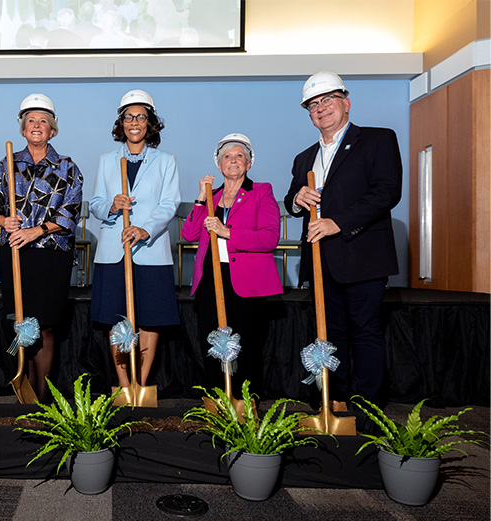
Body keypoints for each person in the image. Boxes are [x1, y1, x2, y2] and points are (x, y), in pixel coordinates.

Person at [284, 71, 402, 409]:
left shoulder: (378, 140)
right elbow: (293, 200)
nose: (321, 108)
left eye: (328, 100)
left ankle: (367, 408)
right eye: (313, 105)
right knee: (328, 334)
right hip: (320, 261)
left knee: (364, 332)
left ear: (346, 103)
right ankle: (335, 401)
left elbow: (386, 192)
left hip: (362, 255)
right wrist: (297, 199)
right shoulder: (303, 158)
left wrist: (339, 223)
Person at [0, 93, 83, 402]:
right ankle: (27, 393)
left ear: (52, 130)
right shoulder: (6, 165)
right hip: (16, 255)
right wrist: (4, 222)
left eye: (43, 122)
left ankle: (43, 395)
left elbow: (70, 212)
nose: (37, 126)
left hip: (51, 256)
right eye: (31, 121)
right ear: (23, 129)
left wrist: (34, 231)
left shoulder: (67, 167)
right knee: (23, 325)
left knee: (47, 328)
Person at [90, 89, 181, 389]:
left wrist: (146, 229)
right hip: (114, 251)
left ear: (150, 123)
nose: (134, 122)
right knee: (118, 318)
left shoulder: (166, 161)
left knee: (150, 319)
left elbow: (169, 204)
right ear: (121, 123)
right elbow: (96, 204)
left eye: (141, 117)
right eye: (128, 117)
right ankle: (123, 384)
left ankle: (141, 384)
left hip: (150, 251)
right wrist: (112, 206)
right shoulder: (106, 160)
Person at [181, 134, 282, 395]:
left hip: (247, 281)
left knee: (246, 344)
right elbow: (189, 234)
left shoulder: (261, 191)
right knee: (212, 341)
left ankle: (246, 402)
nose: (233, 160)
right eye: (227, 156)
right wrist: (202, 199)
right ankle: (216, 400)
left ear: (249, 164)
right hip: (210, 278)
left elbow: (270, 238)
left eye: (239, 156)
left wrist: (226, 232)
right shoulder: (211, 198)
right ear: (219, 164)